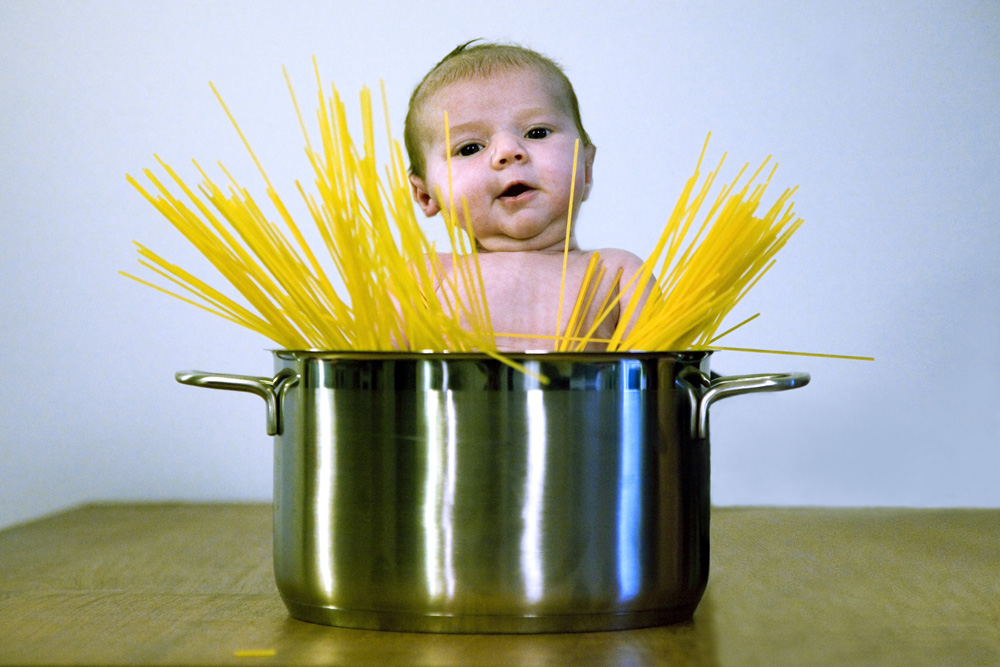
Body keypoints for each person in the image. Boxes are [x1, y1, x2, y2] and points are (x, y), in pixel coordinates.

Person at [404, 41, 646, 351]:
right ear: (426, 195)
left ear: (586, 169)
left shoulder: (618, 276)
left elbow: (662, 388)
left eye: (537, 132)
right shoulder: (423, 281)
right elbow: (372, 389)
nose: (508, 152)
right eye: (470, 148)